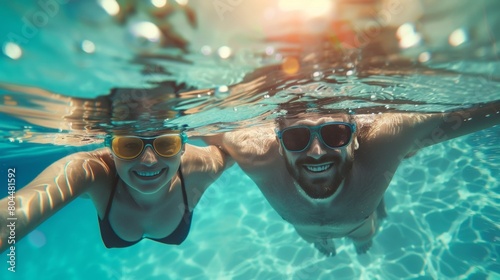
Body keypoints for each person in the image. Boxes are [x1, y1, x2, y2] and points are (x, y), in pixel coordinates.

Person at [205, 98, 500, 257]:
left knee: (366, 234)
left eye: (335, 134)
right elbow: (206, 131)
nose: (317, 152)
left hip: (361, 224)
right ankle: (324, 243)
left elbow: (477, 112)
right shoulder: (253, 154)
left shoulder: (388, 140)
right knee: (313, 236)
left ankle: (360, 241)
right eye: (296, 138)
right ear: (279, 144)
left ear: (356, 138)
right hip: (307, 229)